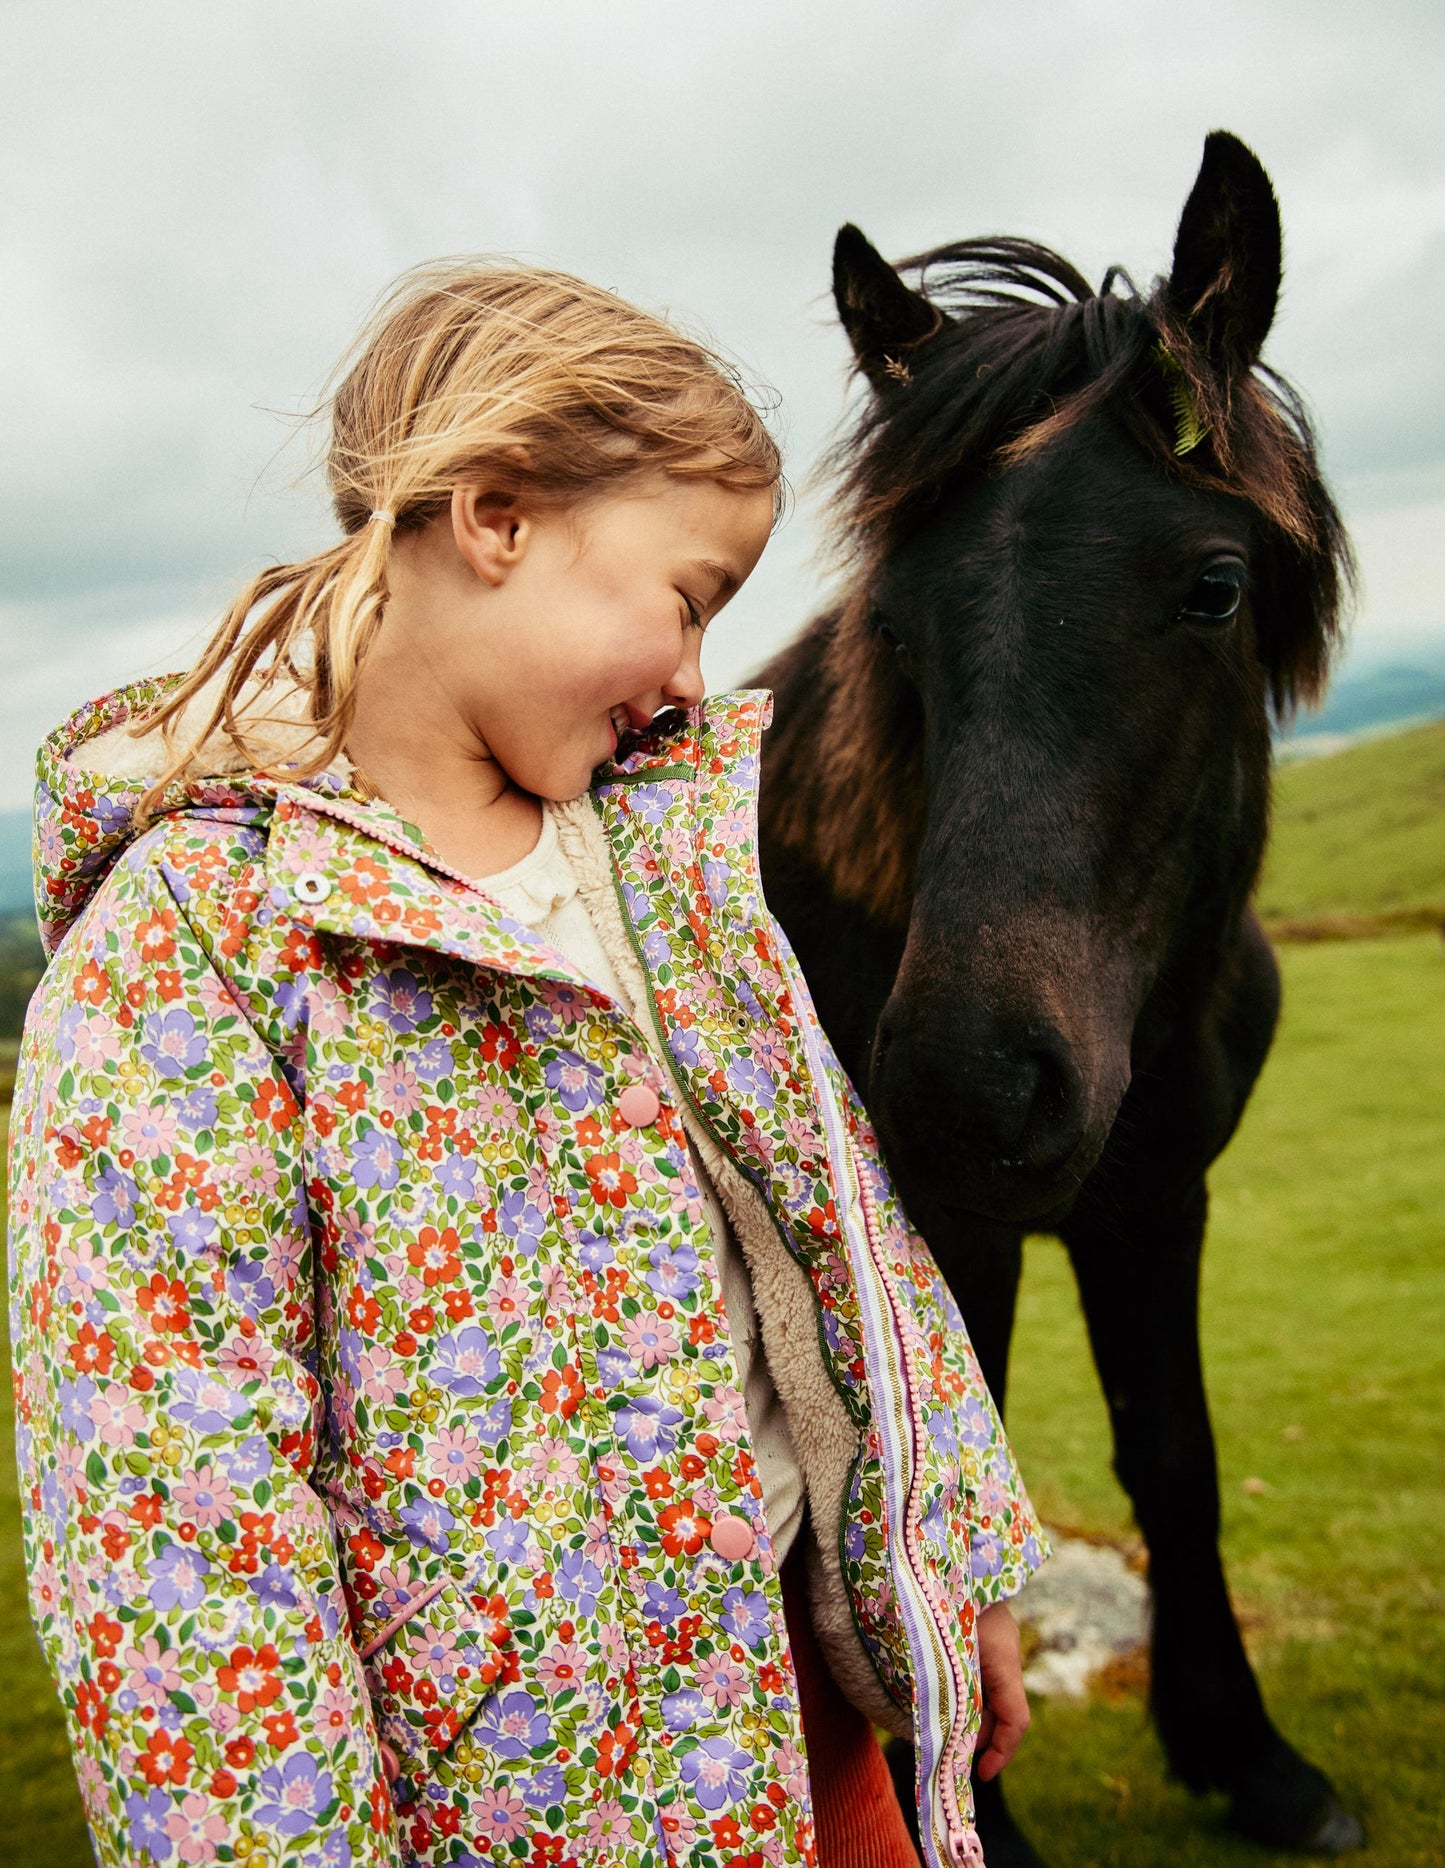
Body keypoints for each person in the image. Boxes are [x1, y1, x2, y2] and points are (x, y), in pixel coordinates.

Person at [9, 259, 1046, 1868]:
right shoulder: (196, 948)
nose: (701, 677)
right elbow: (181, 1539)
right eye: (692, 596)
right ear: (496, 514)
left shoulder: (660, 877)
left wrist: (934, 1570)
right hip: (528, 1806)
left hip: (803, 1714)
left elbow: (839, 1246)